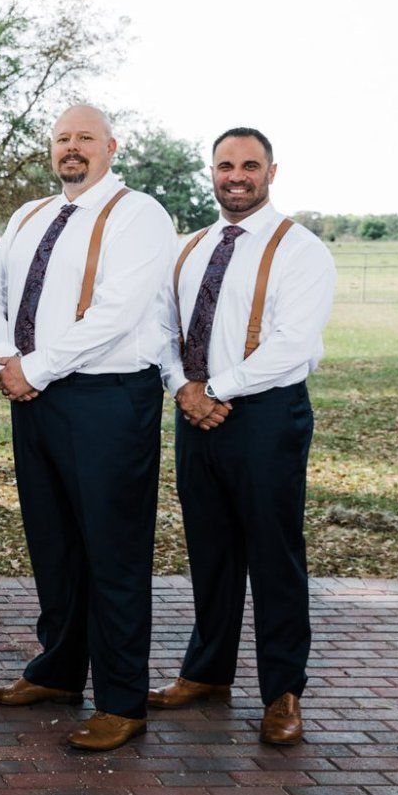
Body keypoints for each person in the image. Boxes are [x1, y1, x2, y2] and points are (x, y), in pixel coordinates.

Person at [0, 104, 176, 752]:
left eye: (85, 138)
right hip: (34, 396)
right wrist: (6, 361)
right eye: (63, 137)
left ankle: (122, 700)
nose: (72, 147)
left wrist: (34, 366)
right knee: (54, 543)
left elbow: (116, 312)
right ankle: (59, 671)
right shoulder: (28, 216)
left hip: (107, 399)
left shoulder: (139, 215)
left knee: (113, 551)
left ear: (112, 147)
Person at [150, 127, 336, 746]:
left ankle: (284, 691)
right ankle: (208, 672)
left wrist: (216, 389)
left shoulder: (300, 249)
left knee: (273, 554)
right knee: (210, 550)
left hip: (264, 416)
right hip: (194, 411)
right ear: (211, 172)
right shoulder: (192, 246)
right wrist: (184, 388)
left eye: (249, 165)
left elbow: (292, 347)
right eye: (225, 165)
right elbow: (165, 327)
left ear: (271, 172)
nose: (236, 176)